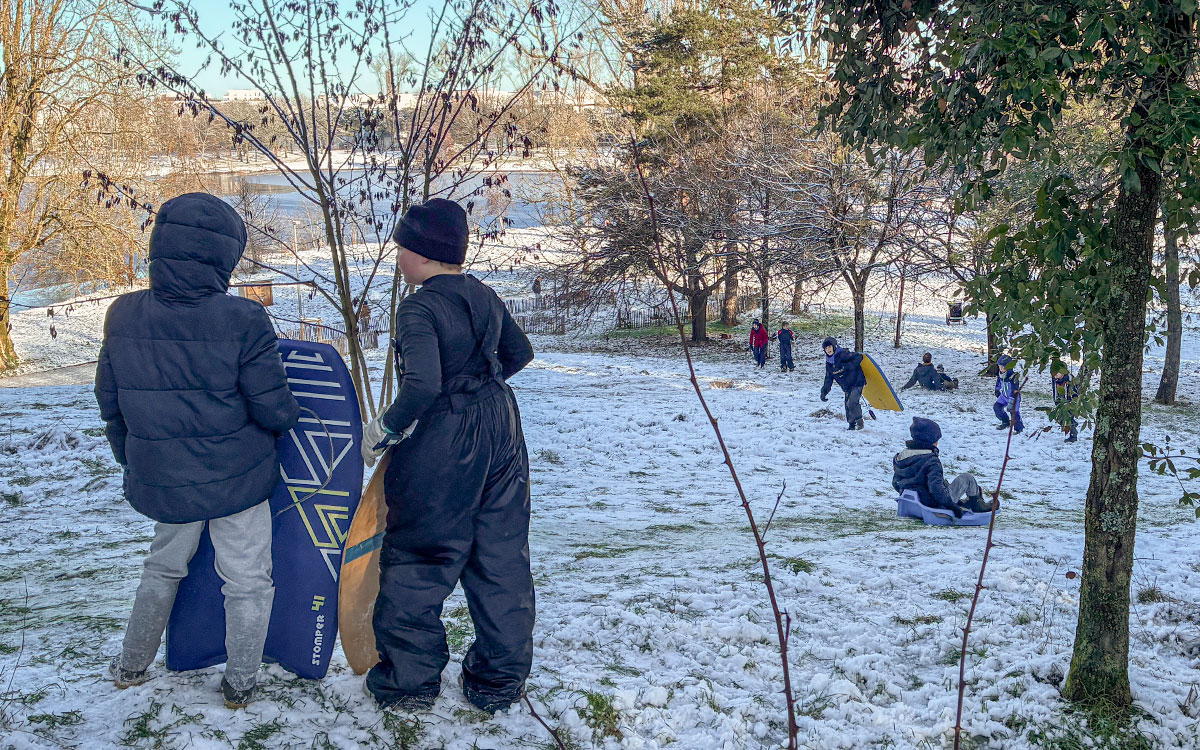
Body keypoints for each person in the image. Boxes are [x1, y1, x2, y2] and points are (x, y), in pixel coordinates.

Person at [95, 193, 301, 708]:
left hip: (164, 474)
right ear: (225, 255)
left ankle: (132, 664)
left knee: (162, 566)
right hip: (239, 477)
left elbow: (110, 402)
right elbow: (273, 408)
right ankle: (240, 683)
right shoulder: (244, 319)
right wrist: (289, 420)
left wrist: (135, 460)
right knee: (247, 580)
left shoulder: (123, 314)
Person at [360, 198, 536, 715]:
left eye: (401, 248)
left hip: (444, 438)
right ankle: (497, 681)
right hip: (502, 427)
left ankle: (409, 681)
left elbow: (422, 386)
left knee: (420, 553)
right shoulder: (482, 293)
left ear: (422, 253)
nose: (397, 257)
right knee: (499, 554)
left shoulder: (418, 308)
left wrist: (385, 428)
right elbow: (519, 353)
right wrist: (478, 386)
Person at [892, 417, 994, 516]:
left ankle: (964, 501)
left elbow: (895, 482)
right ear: (930, 440)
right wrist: (952, 506)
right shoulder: (931, 461)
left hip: (914, 500)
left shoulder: (901, 457)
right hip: (934, 502)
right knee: (967, 478)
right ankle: (978, 505)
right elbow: (936, 489)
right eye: (936, 440)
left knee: (943, 483)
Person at [820, 336, 867, 430]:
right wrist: (824, 392)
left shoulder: (843, 354)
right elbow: (828, 378)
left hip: (857, 381)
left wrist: (847, 367)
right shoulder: (829, 363)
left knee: (852, 402)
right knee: (847, 405)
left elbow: (859, 357)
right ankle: (851, 425)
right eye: (826, 348)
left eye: (829, 347)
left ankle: (859, 422)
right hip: (846, 385)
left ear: (834, 346)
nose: (828, 350)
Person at [994, 354, 1024, 433]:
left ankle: (1018, 428)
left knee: (1014, 413)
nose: (1001, 369)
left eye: (1003, 367)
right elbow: (998, 383)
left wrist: (1012, 399)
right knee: (997, 407)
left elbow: (1015, 389)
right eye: (999, 367)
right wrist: (997, 390)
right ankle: (1005, 422)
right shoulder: (1000, 375)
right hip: (1004, 396)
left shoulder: (1013, 376)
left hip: (1014, 398)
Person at [1051, 360, 1079, 443]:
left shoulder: (1070, 379)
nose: (1055, 375)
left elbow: (1075, 392)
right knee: (1059, 418)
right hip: (1060, 402)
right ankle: (1073, 424)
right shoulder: (1056, 380)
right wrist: (1056, 401)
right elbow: (1055, 391)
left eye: (1057, 373)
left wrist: (1072, 402)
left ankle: (1073, 436)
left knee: (1068, 418)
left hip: (1070, 402)